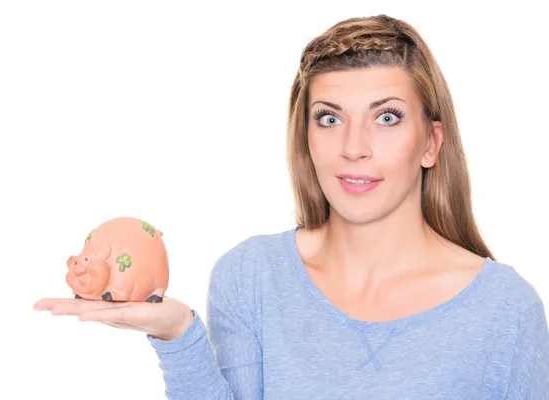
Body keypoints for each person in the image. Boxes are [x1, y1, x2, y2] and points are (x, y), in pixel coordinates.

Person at [34, 14, 549, 399]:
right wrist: (178, 336)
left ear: (432, 143)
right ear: (305, 137)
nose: (354, 146)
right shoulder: (250, 277)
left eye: (387, 117)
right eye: (329, 118)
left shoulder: (505, 311)